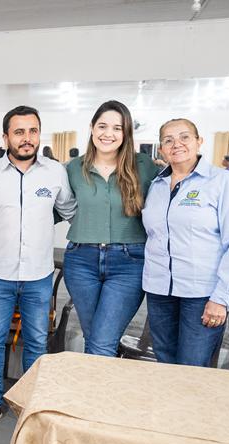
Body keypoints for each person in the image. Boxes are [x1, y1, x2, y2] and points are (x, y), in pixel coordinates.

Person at [0, 105, 76, 431]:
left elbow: (71, 211)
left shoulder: (55, 173)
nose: (27, 138)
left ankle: (29, 406)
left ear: (39, 134)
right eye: (19, 132)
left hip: (38, 276)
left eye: (32, 131)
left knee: (37, 342)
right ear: (5, 137)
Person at [142, 118, 229, 366]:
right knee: (164, 362)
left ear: (198, 141)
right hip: (160, 291)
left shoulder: (224, 182)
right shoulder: (156, 185)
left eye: (184, 137)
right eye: (168, 140)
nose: (176, 144)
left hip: (203, 294)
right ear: (161, 149)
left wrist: (221, 298)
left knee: (192, 367)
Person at [63, 101, 160, 356]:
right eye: (102, 126)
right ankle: (106, 379)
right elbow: (55, 207)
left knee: (101, 342)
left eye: (117, 128)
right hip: (81, 261)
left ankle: (94, 383)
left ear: (126, 133)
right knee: (95, 338)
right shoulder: (74, 168)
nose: (109, 134)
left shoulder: (145, 166)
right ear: (92, 128)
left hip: (129, 263)